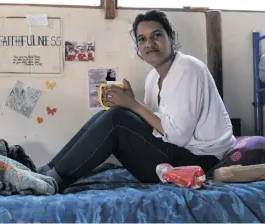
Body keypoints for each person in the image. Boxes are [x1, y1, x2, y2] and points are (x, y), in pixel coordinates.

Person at [38, 9, 236, 192]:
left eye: (156, 35)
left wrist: (133, 104)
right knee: (110, 114)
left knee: (117, 118)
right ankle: (48, 170)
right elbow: (154, 127)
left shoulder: (188, 68)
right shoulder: (152, 78)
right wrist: (129, 105)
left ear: (171, 37)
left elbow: (177, 137)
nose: (149, 44)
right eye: (142, 39)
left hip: (199, 161)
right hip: (176, 154)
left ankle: (53, 181)